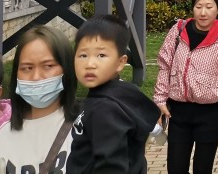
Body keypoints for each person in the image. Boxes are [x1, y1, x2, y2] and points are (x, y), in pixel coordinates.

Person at [153, 0, 218, 174]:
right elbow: (165, 65)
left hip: (211, 113)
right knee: (175, 167)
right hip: (178, 112)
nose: (203, 12)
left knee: (202, 169)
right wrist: (159, 99)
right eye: (199, 6)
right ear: (193, 8)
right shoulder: (178, 30)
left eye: (209, 6)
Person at [68, 15, 160, 174]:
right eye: (83, 55)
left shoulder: (105, 109)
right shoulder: (123, 93)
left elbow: (110, 166)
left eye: (101, 55)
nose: (90, 64)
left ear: (120, 62)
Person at [0, 26, 78, 174]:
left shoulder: (86, 128)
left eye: (48, 66)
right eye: (27, 68)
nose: (36, 76)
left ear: (67, 69)